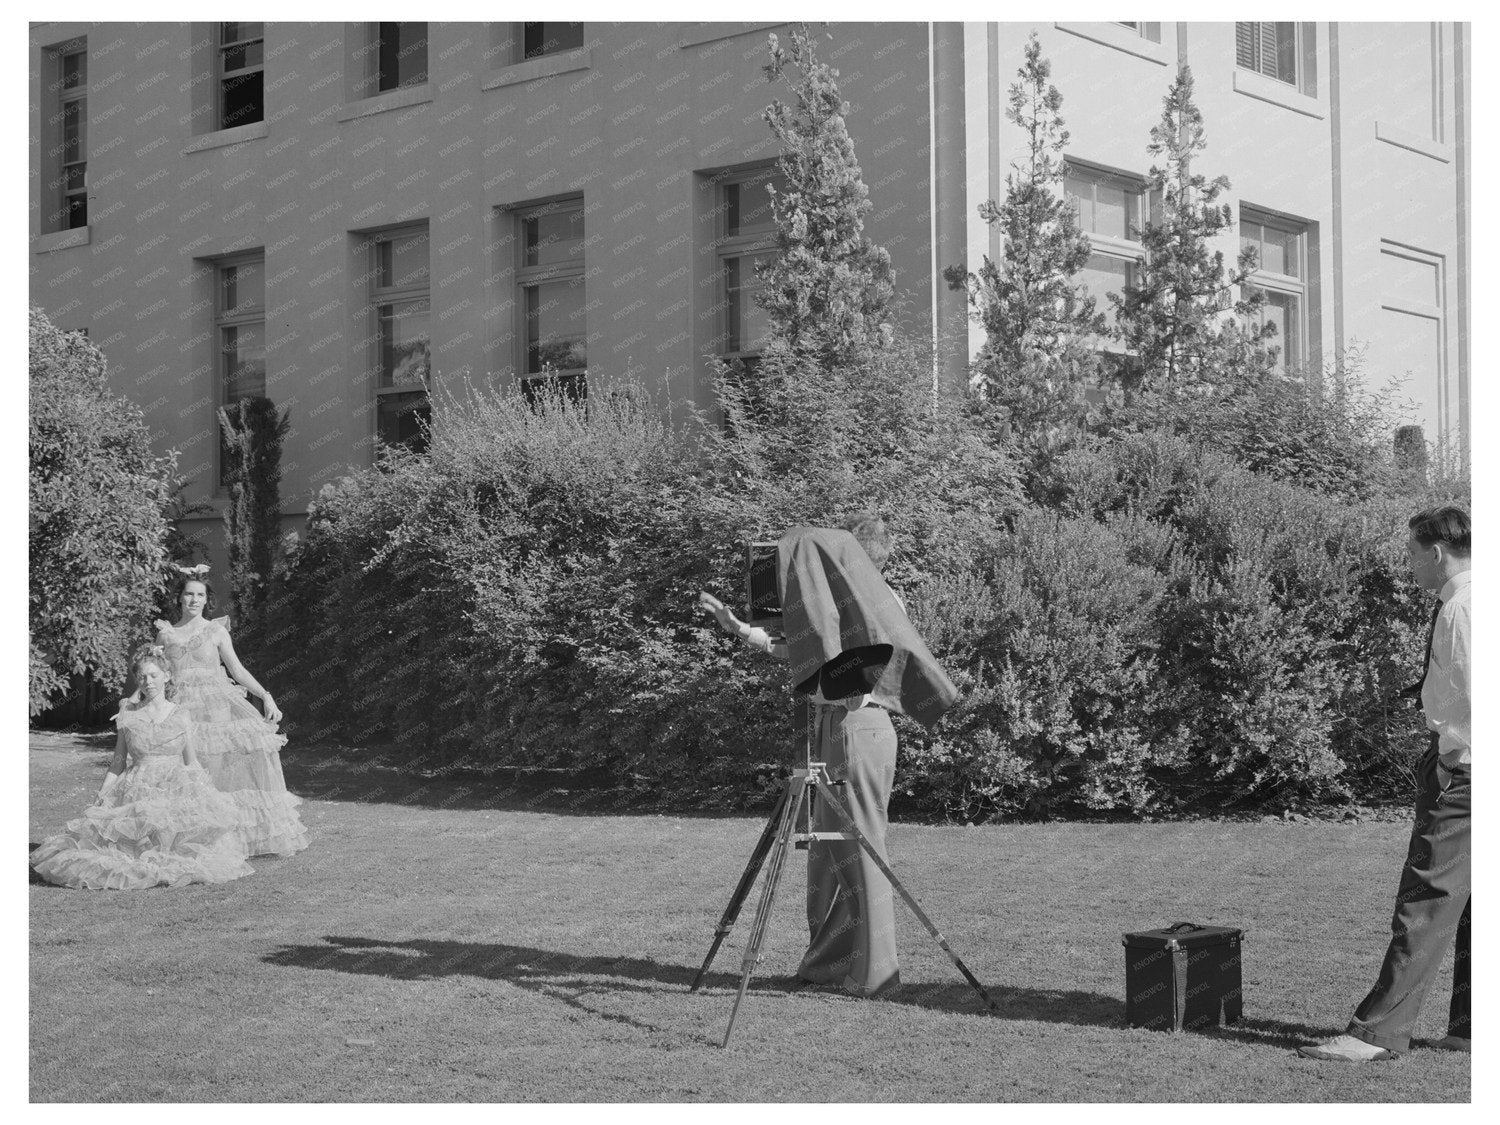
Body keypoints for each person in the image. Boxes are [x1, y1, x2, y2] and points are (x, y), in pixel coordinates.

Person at [700, 513, 906, 997]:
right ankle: (830, 965)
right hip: (831, 728)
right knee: (828, 851)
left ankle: (874, 973)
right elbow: (802, 654)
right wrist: (739, 628)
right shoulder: (837, 602)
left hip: (859, 727)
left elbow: (855, 677)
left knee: (861, 850)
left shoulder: (877, 601)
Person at [1299, 504, 1471, 1061]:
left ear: (1436, 553)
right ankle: (1472, 1027)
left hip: (1468, 773)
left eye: (1412, 555)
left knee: (1427, 896)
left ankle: (1375, 1034)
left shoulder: (1464, 607)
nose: (1410, 566)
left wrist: (1450, 761)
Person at [31, 645, 255, 890]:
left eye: (153, 675)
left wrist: (208, 795)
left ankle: (167, 860)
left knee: (182, 846)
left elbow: (191, 761)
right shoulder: (127, 711)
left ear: (166, 676)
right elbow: (118, 762)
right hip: (136, 785)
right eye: (142, 677)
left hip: (175, 785)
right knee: (121, 852)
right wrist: (102, 794)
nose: (148, 682)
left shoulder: (181, 714)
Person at [156, 568, 309, 857]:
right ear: (179, 597)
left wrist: (266, 696)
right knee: (181, 773)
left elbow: (237, 670)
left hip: (215, 710)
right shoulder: (166, 634)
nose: (194, 599)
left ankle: (222, 839)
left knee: (215, 772)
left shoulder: (215, 631)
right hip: (179, 711)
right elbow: (155, 675)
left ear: (207, 599)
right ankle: (184, 840)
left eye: (200, 595)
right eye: (189, 593)